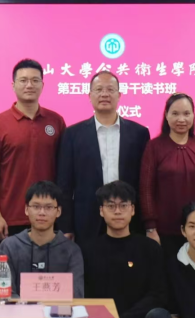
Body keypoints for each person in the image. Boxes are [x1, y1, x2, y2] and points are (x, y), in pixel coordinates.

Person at [57, 71, 151, 243]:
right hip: (87, 220)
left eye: (110, 89)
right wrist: (66, 226)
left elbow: (145, 184)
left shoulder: (139, 134)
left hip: (128, 218)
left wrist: (148, 224)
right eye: (99, 89)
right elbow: (65, 184)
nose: (105, 94)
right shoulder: (72, 134)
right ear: (90, 95)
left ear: (119, 95)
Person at [0, 58, 66, 240]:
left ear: (43, 85)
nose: (29, 85)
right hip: (11, 217)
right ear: (13, 85)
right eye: (23, 80)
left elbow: (65, 170)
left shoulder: (56, 121)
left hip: (49, 214)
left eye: (35, 80)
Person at [80, 181, 173, 318]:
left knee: (161, 317)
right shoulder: (87, 250)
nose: (117, 211)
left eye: (123, 205)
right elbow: (86, 295)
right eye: (111, 206)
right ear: (101, 211)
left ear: (133, 209)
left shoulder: (150, 248)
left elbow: (159, 294)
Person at [141, 93, 195, 259]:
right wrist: (150, 228)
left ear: (193, 116)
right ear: (166, 115)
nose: (181, 119)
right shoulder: (154, 147)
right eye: (175, 113)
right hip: (163, 232)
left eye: (186, 113)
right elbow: (146, 189)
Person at [0, 181, 84, 296]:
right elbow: (6, 293)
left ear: (58, 211)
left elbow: (76, 295)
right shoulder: (10, 246)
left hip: (58, 308)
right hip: (19, 308)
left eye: (49, 207)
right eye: (36, 206)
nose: (42, 213)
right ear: (26, 209)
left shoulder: (71, 250)